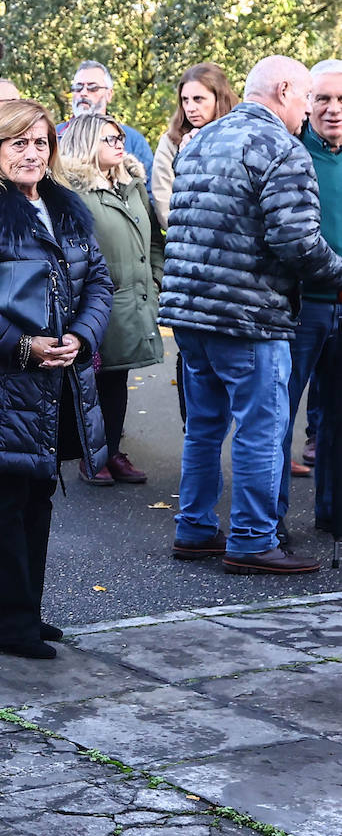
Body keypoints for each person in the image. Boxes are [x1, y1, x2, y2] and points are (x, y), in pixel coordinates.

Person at [0, 99, 112, 659]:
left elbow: (99, 284)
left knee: (39, 499)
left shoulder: (67, 207)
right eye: (19, 143)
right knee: (9, 502)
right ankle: (9, 626)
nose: (32, 153)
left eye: (40, 143)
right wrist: (23, 347)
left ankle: (26, 613)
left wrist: (82, 336)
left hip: (59, 382)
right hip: (4, 385)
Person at [159, 56, 342, 574]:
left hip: (190, 313)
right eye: (307, 98)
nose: (309, 112)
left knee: (204, 427)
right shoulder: (280, 147)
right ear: (285, 89)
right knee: (263, 428)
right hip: (248, 316)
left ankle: (194, 528)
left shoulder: (198, 140)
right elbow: (297, 242)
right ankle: (253, 540)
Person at [61, 113, 164, 486]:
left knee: (117, 379)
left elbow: (154, 239)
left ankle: (113, 451)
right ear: (88, 143)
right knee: (89, 380)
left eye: (120, 137)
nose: (120, 143)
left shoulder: (133, 185)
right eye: (109, 139)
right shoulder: (72, 193)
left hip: (132, 300)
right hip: (93, 303)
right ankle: (91, 454)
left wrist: (155, 279)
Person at [278, 59, 342, 542]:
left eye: (341, 100)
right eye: (322, 98)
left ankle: (333, 513)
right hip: (300, 306)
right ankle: (268, 524)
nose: (333, 109)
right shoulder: (289, 150)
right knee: (278, 415)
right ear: (306, 102)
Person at [150, 62, 238, 229]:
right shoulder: (170, 141)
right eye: (185, 100)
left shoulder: (240, 135)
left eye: (198, 99)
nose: (190, 108)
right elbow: (163, 202)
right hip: (185, 238)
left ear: (218, 98)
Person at [62, 60, 154, 181]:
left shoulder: (133, 141)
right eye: (78, 88)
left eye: (92, 88)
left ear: (109, 94)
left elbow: (149, 194)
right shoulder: (53, 136)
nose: (83, 93)